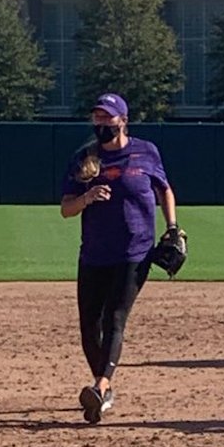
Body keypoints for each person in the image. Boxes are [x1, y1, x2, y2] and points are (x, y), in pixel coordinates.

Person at [60, 92, 180, 423]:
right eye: (97, 117)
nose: (101, 123)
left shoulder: (145, 152)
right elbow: (65, 209)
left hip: (135, 252)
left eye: (107, 117)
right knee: (89, 326)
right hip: (94, 253)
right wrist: (87, 197)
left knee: (115, 316)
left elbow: (164, 189)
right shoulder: (85, 158)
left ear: (122, 120)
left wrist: (172, 227)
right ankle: (105, 387)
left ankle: (100, 386)